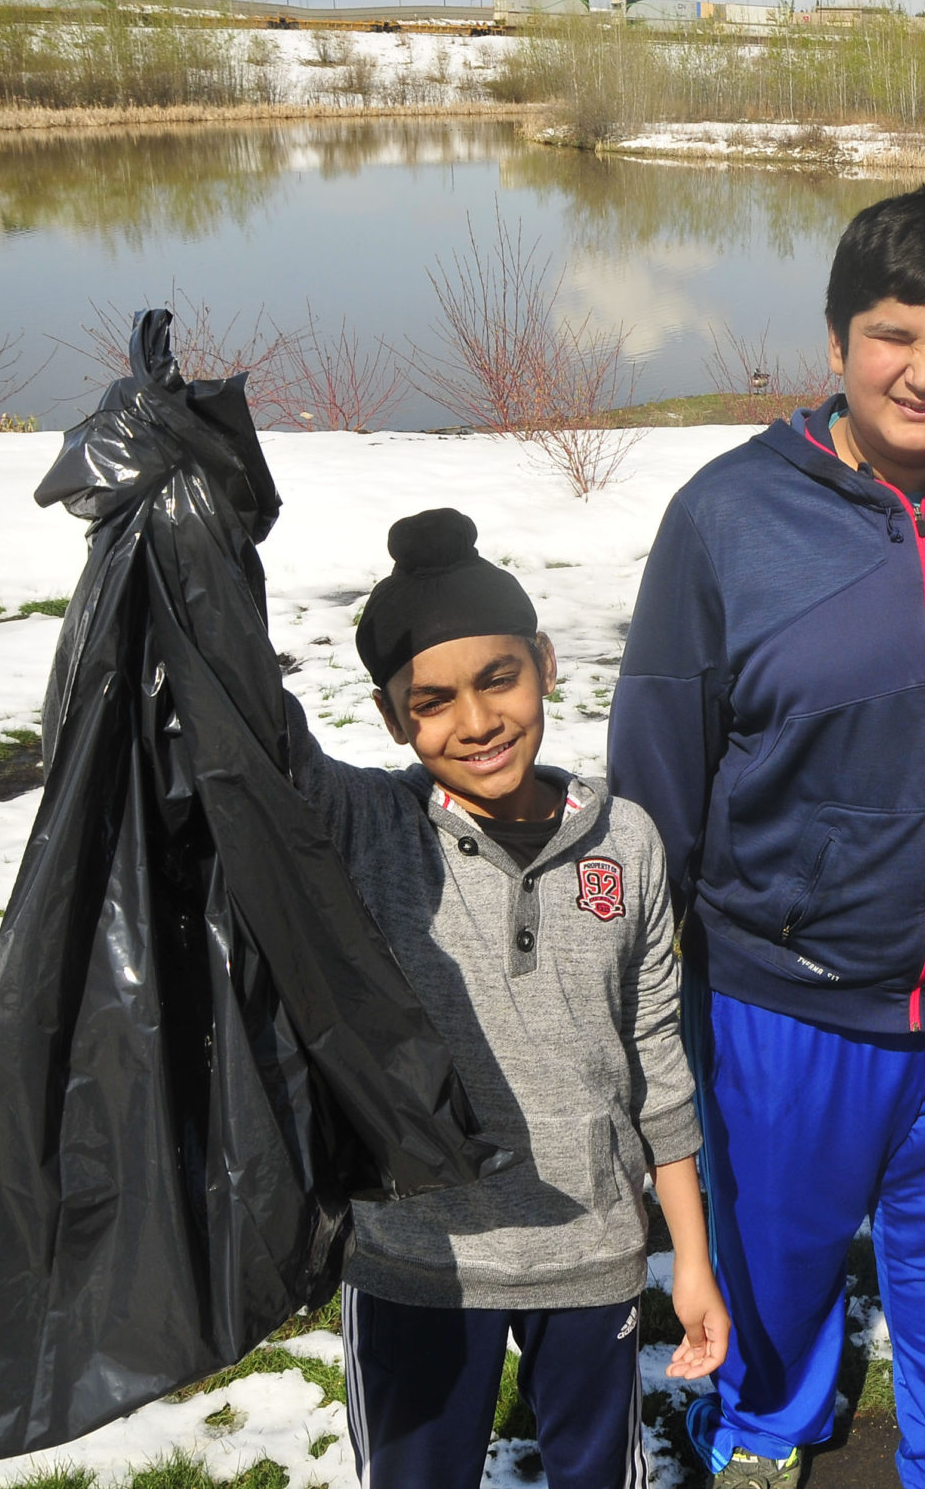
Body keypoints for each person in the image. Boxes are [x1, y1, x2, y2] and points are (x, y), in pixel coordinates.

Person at [610, 188, 925, 1489]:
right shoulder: (728, 518)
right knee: (779, 1248)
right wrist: (659, 1001)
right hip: (791, 997)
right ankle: (767, 1430)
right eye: (893, 335)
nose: (924, 371)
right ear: (836, 344)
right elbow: (656, 773)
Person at [283, 507, 725, 1489]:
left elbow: (657, 1059)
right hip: (418, 1261)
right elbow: (250, 736)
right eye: (431, 699)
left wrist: (686, 1257)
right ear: (395, 717)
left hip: (592, 1250)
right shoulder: (366, 828)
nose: (476, 721)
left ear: (545, 661)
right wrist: (199, 542)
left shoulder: (629, 841)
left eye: (498, 678)